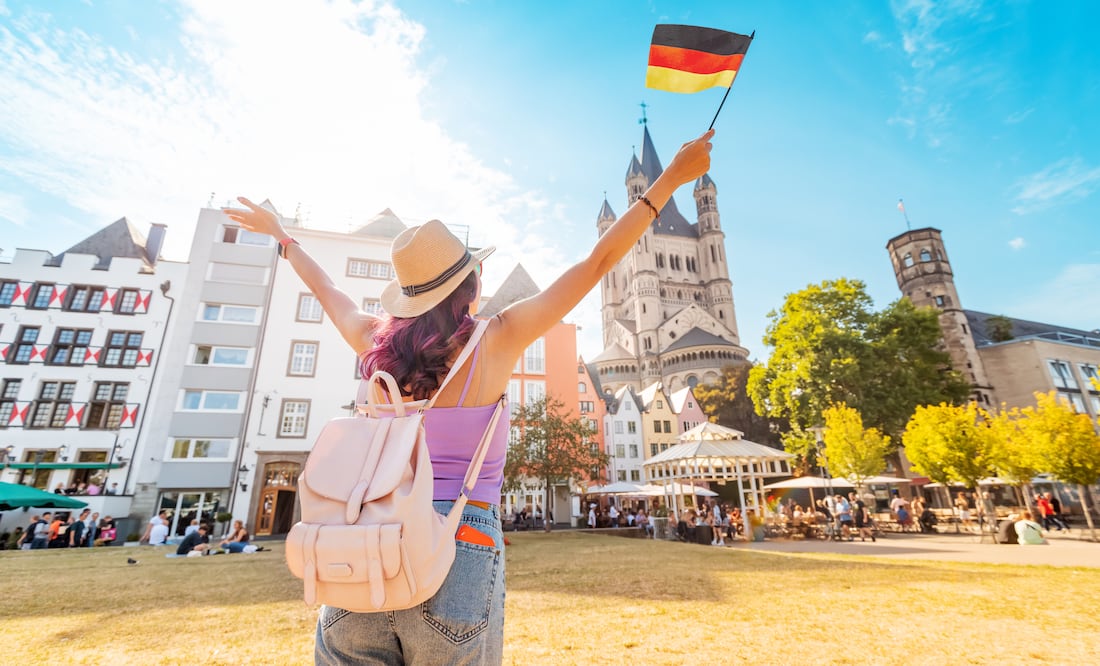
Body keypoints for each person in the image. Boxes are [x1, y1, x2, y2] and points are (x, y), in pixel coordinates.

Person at [223, 127, 713, 665]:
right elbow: (598, 263)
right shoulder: (497, 338)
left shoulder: (373, 342)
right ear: (472, 286)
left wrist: (284, 239)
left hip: (361, 547)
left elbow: (328, 291)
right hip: (459, 545)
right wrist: (669, 180)